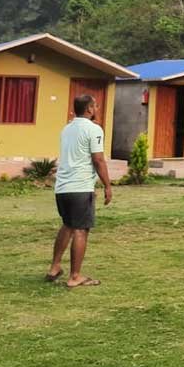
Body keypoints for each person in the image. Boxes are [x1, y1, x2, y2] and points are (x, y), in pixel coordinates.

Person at [46, 93, 112, 288]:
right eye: (96, 106)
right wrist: (107, 185)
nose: (97, 109)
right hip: (80, 187)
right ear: (90, 109)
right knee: (81, 229)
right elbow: (98, 159)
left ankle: (55, 267)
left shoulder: (67, 129)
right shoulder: (94, 130)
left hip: (62, 188)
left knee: (67, 225)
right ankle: (75, 276)